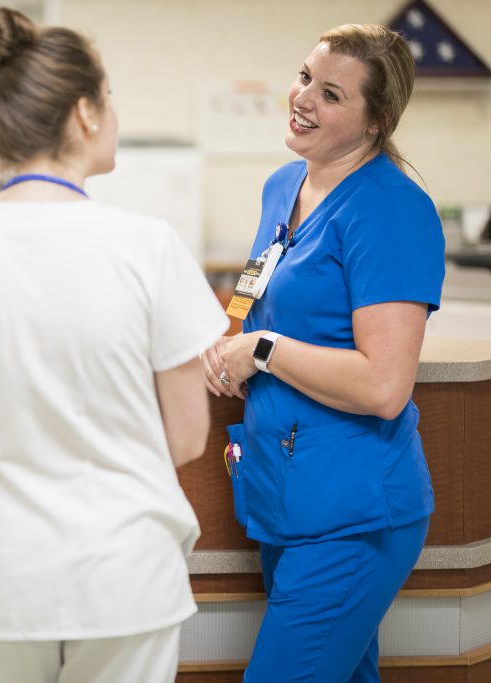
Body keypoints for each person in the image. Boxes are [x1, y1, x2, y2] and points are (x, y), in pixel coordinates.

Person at [0, 7, 228, 682]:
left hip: (4, 573)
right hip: (126, 571)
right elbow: (188, 437)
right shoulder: (147, 245)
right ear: (85, 113)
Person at [200, 24, 445, 682]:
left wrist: (264, 349)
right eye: (305, 76)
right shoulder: (286, 184)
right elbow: (257, 282)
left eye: (331, 93)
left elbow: (385, 384)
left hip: (354, 509)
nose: (302, 97)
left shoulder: (392, 210)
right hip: (285, 494)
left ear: (376, 120)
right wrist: (228, 337)